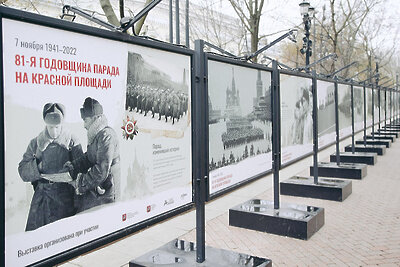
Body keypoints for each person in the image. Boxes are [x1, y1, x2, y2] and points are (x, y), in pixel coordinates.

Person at [18, 103, 82, 231]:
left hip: (65, 198)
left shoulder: (71, 140)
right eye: (51, 127)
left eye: (57, 127)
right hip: (42, 198)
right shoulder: (36, 143)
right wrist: (37, 166)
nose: (54, 131)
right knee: (36, 238)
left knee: (62, 235)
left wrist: (72, 170)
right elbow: (22, 170)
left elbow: (82, 166)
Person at [67, 97, 120, 212]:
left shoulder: (106, 136)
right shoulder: (97, 135)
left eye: (86, 121)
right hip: (98, 184)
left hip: (107, 188)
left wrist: (80, 183)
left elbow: (102, 170)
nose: (84, 125)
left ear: (95, 119)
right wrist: (74, 166)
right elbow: (89, 157)